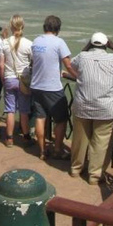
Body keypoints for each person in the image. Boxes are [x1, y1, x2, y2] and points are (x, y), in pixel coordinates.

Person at [69, 32, 113, 185]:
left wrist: (88, 45)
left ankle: (76, 169)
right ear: (106, 45)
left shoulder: (83, 57)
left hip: (82, 105)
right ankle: (94, 176)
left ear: (92, 43)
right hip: (105, 109)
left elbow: (72, 63)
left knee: (79, 139)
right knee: (101, 142)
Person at [30, 15, 78, 160]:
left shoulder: (36, 41)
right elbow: (68, 64)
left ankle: (42, 151)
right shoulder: (59, 42)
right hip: (52, 87)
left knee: (40, 117)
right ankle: (57, 149)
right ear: (58, 28)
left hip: (36, 85)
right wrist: (78, 77)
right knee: (61, 119)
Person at [1, 14, 33, 147]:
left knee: (10, 110)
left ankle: (9, 138)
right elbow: (34, 63)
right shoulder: (29, 44)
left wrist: (3, 80)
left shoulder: (4, 43)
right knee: (24, 110)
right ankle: (26, 137)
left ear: (11, 26)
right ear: (22, 26)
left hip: (9, 78)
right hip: (23, 80)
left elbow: (1, 65)